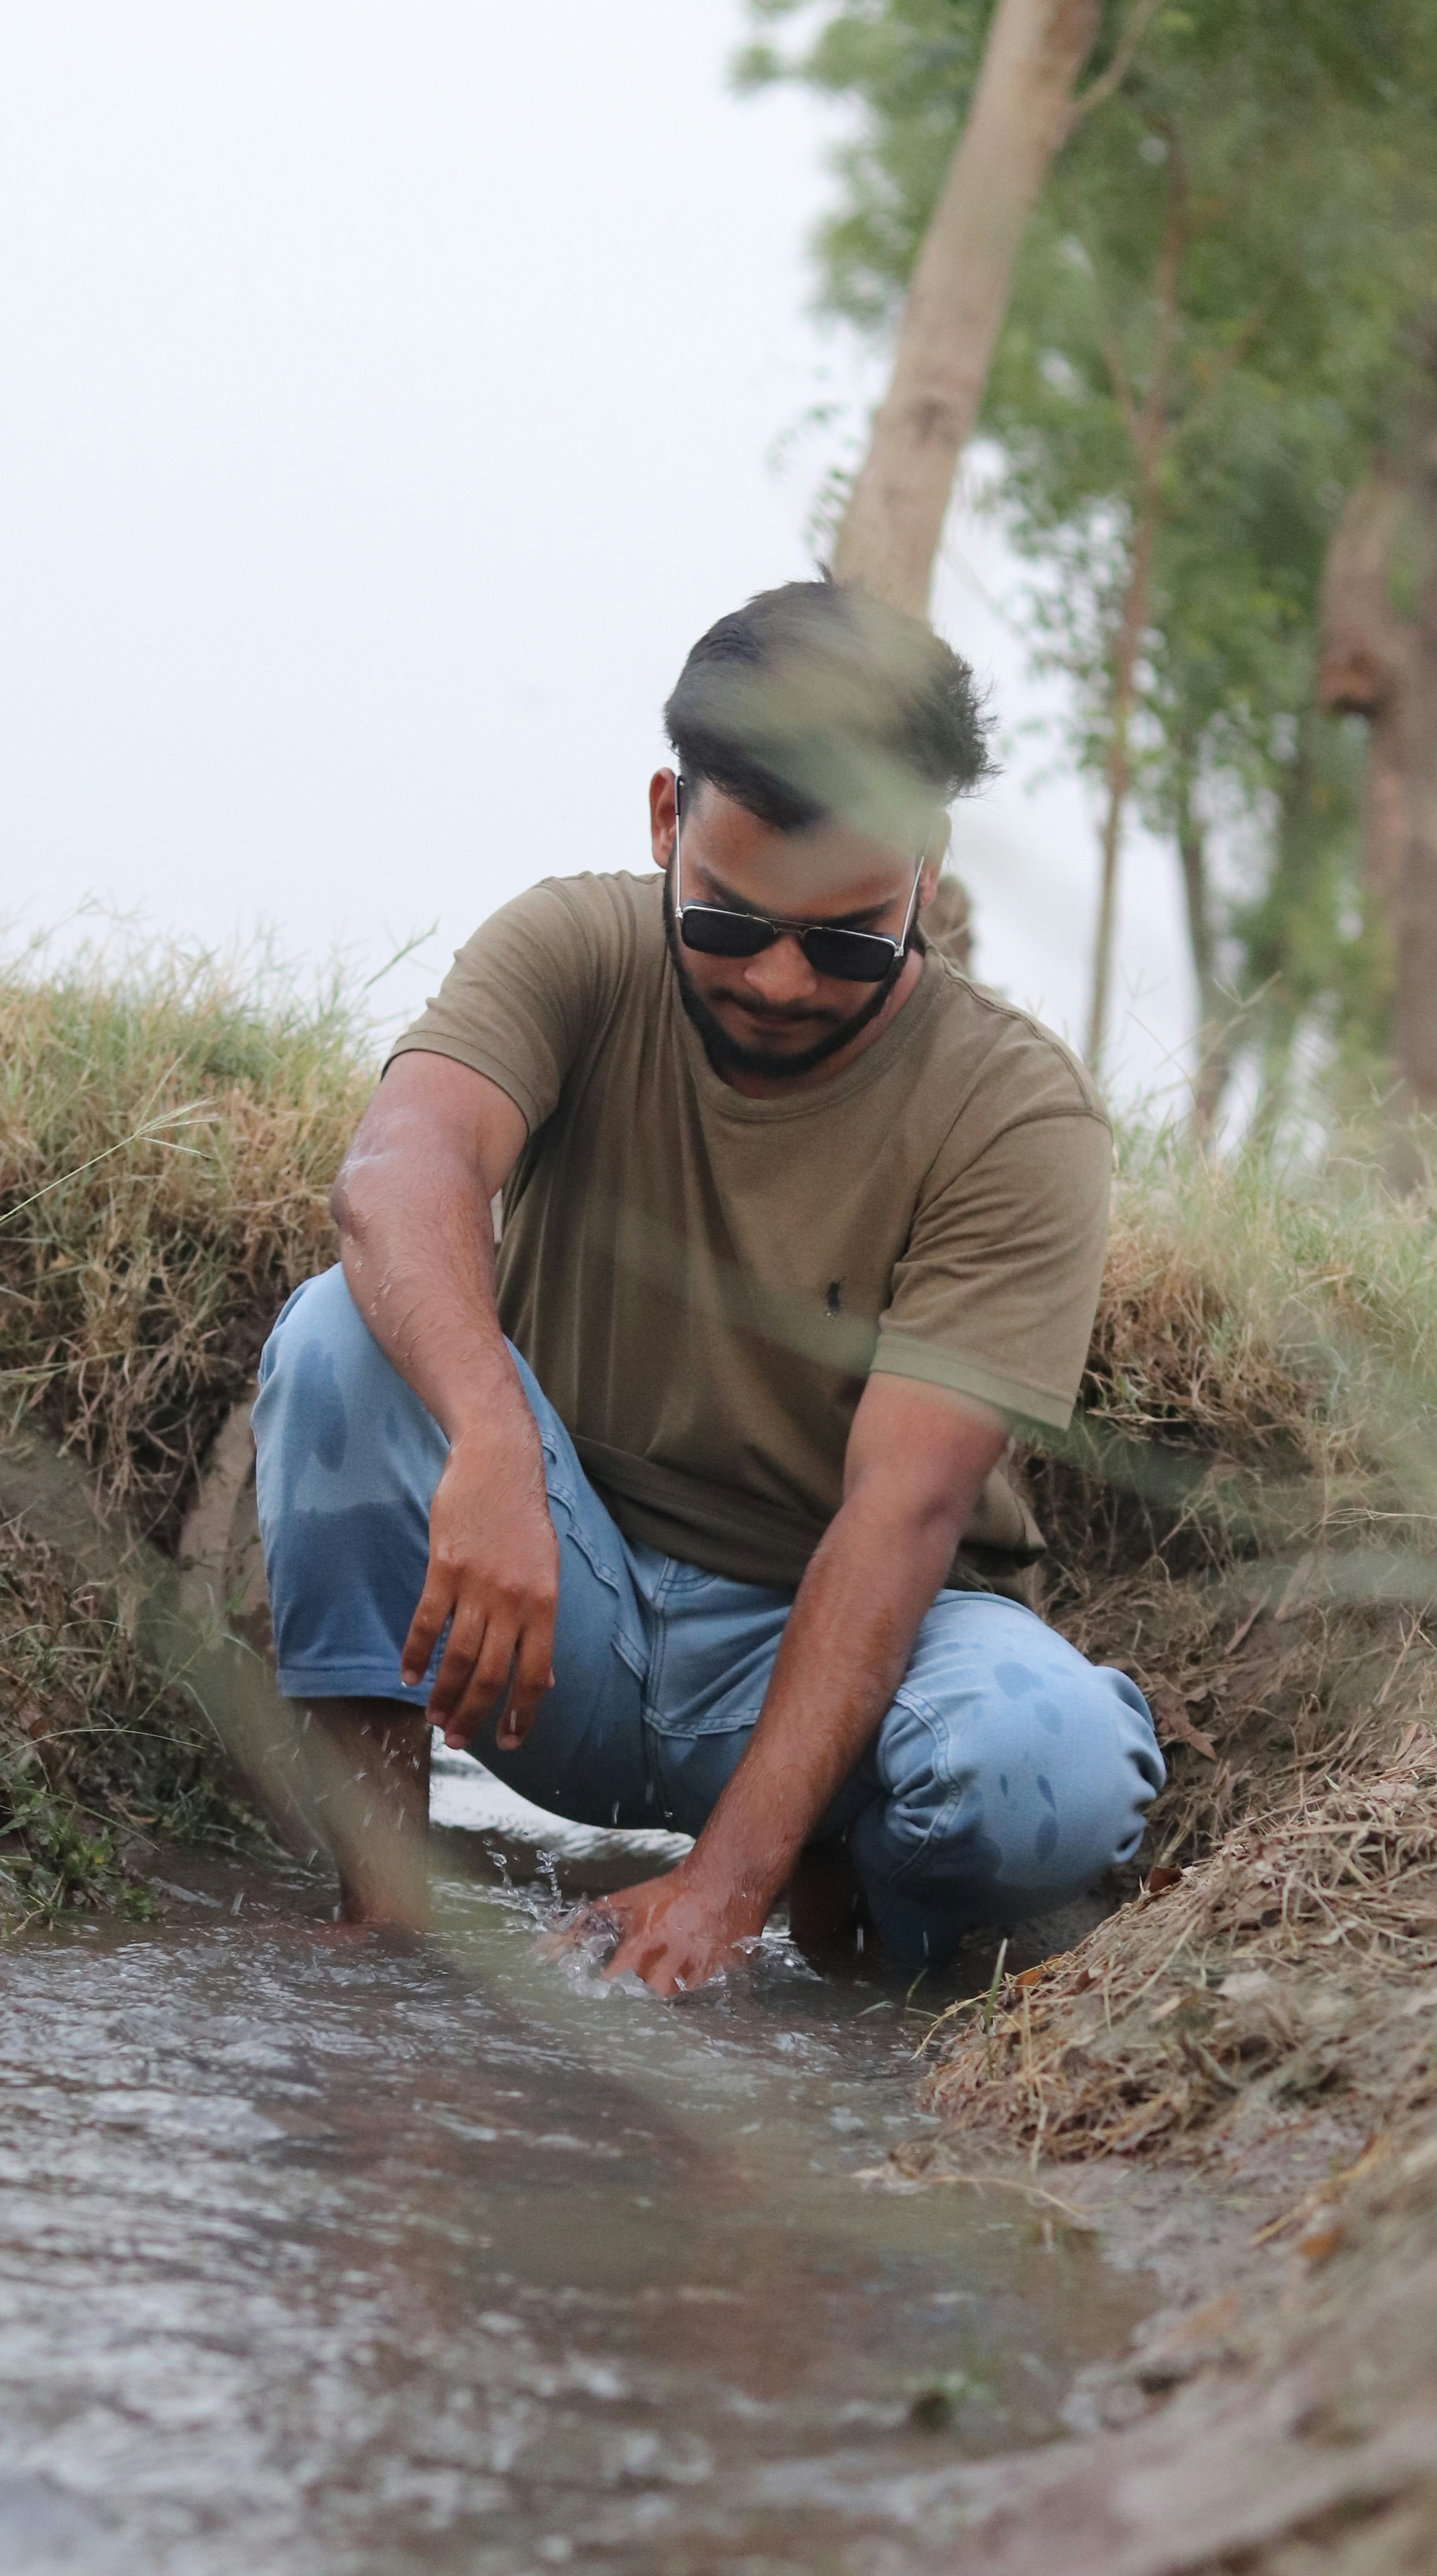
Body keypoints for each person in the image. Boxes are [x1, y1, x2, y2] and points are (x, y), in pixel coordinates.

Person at [252, 580, 1163, 1995]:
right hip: (556, 1607)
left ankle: (857, 1928)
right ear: (669, 820)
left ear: (926, 860)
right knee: (336, 1339)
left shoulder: (1019, 1116)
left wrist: (724, 1885)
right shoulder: (574, 947)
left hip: (834, 1656)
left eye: (850, 937)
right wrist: (490, 1435)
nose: (788, 982)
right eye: (735, 924)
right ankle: (384, 1918)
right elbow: (399, 1166)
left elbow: (904, 1507)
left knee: (1049, 1774)